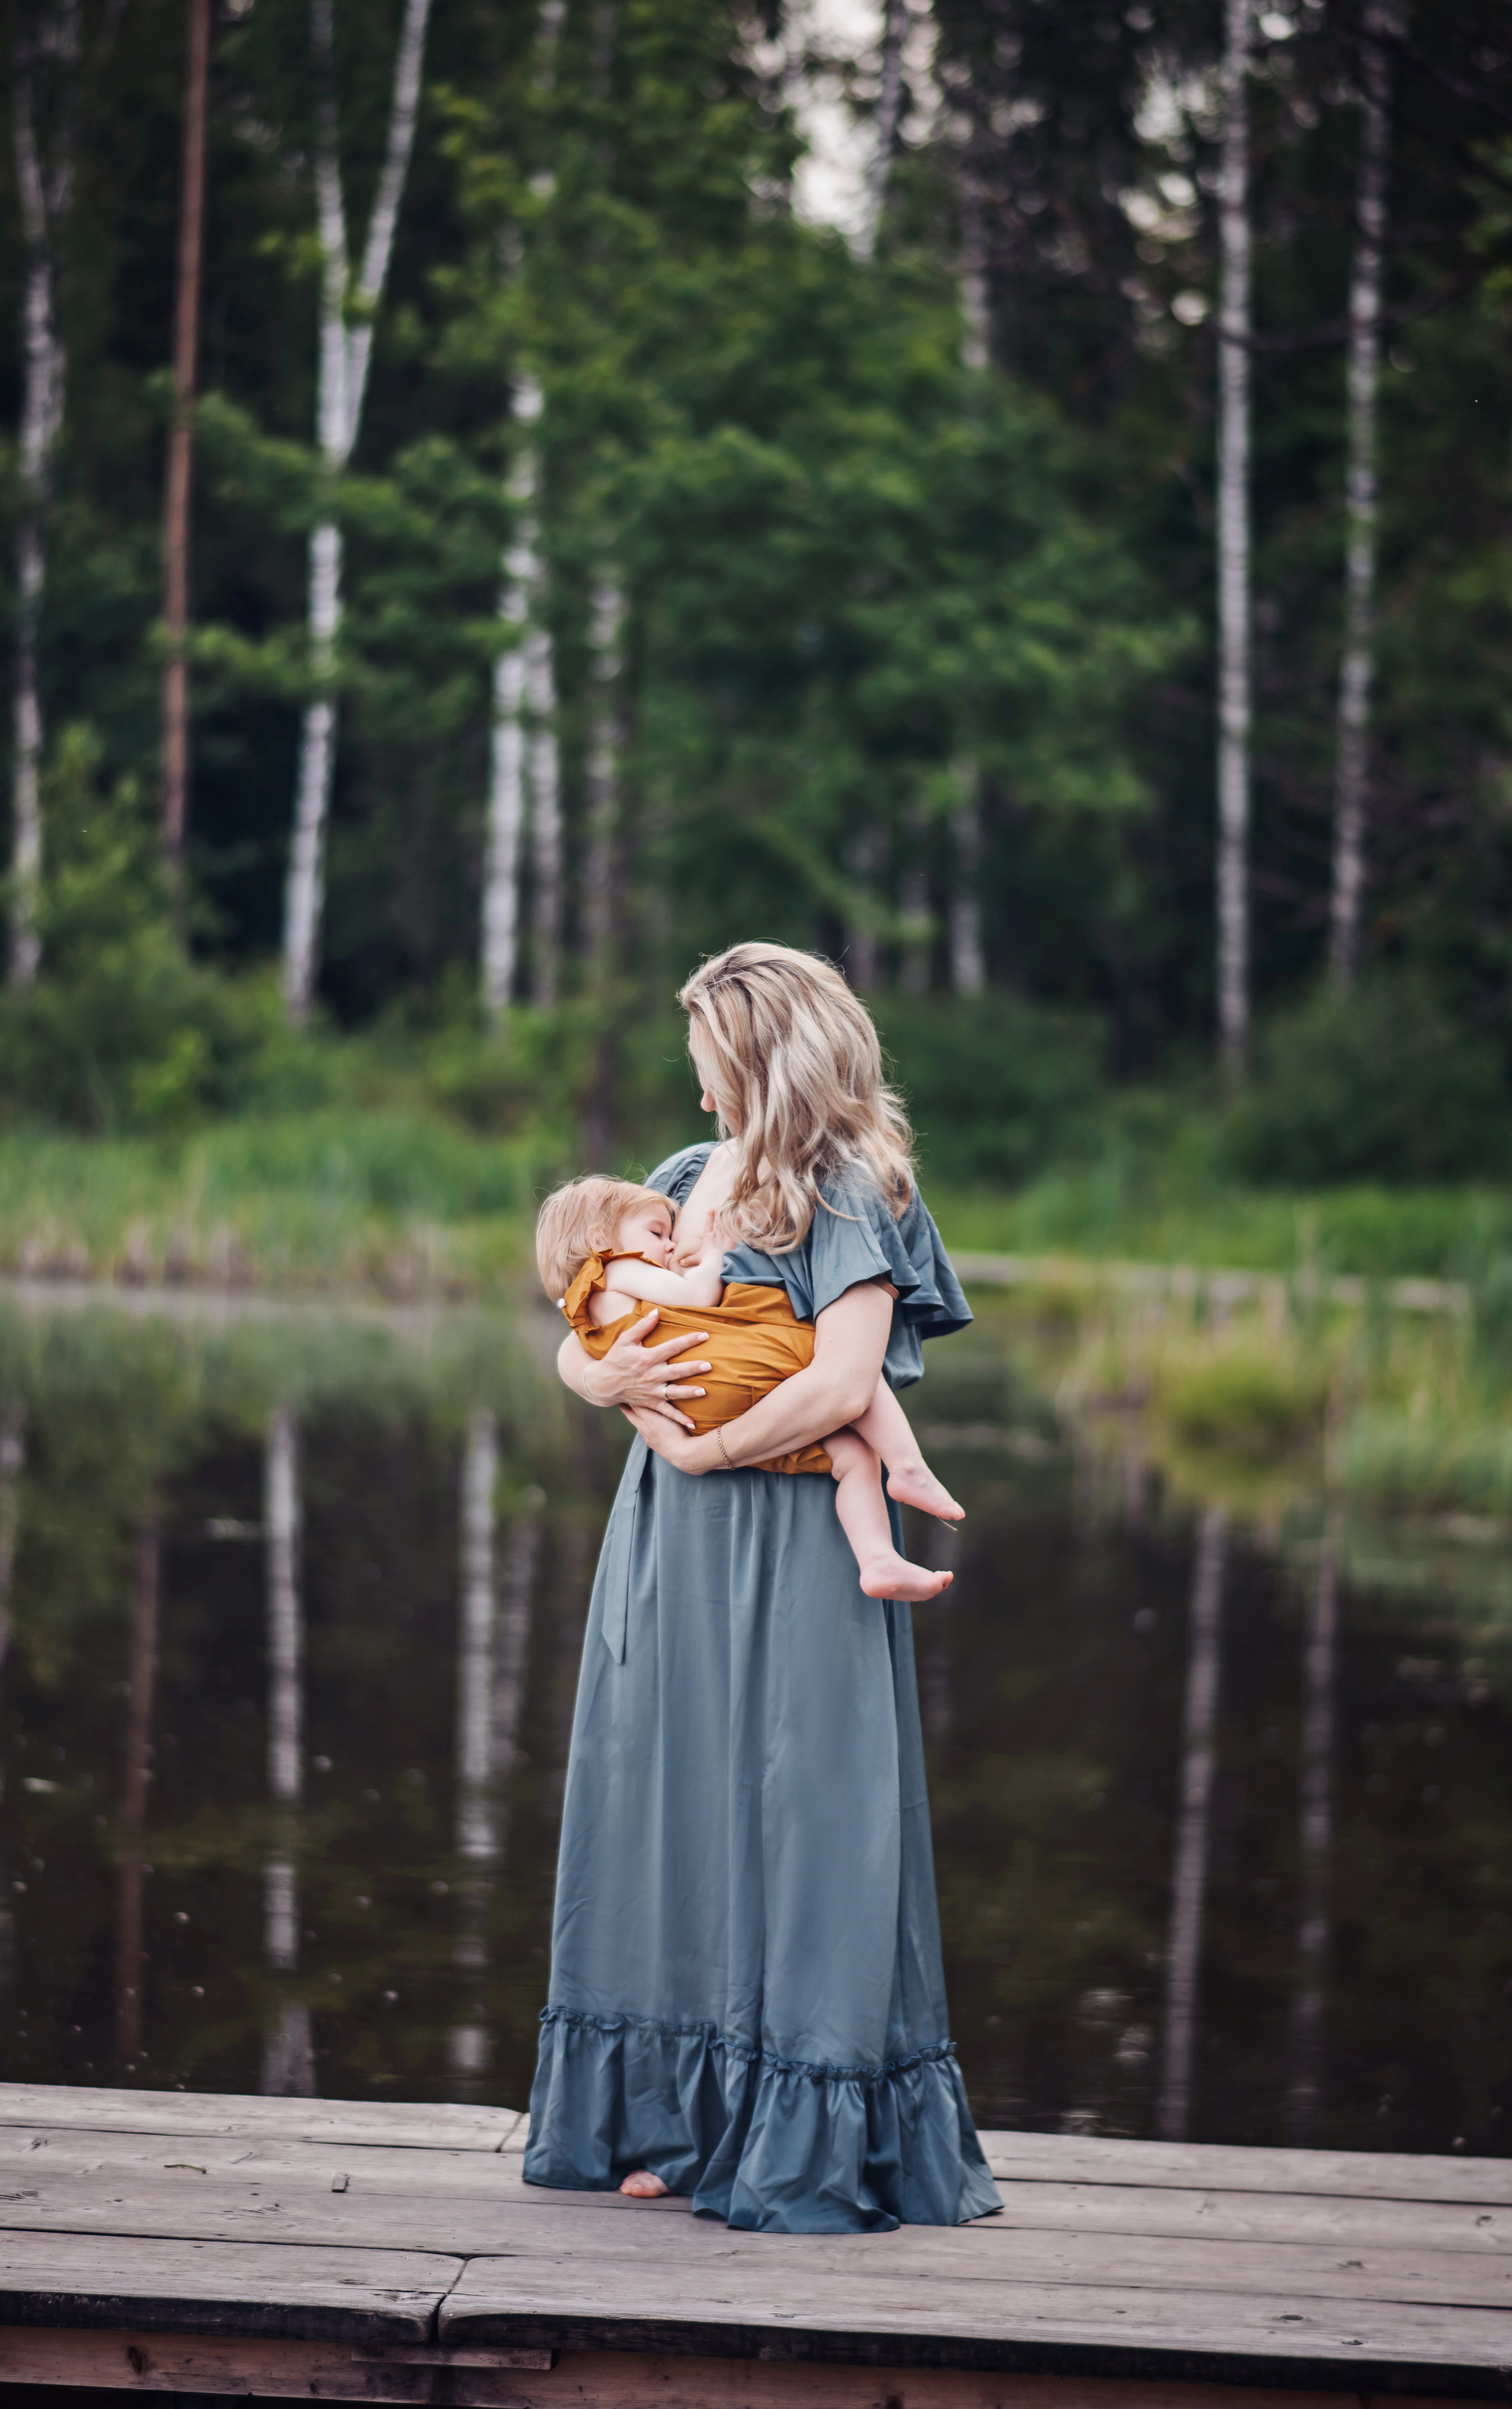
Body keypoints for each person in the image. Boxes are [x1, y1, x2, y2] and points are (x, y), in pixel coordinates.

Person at [521, 941, 1004, 2235]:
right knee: (670, 1812)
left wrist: (702, 1442)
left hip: (795, 1536)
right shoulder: (679, 1181)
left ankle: (799, 2135)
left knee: (804, 1820)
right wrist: (602, 1383)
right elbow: (585, 1325)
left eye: (707, 1065)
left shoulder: (850, 1185)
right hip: (669, 1544)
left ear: (756, 1052)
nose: (695, 1097)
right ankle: (678, 2121)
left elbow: (848, 1382)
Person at [532, 1170, 961, 1601]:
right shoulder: (617, 1266)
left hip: (693, 1410)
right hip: (719, 1370)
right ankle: (907, 1466)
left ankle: (878, 1561)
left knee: (850, 1454)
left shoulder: (584, 1303)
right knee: (831, 1355)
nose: (668, 1244)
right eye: (657, 1232)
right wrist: (715, 1254)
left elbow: (580, 1348)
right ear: (597, 1240)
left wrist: (602, 1380)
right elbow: (698, 1296)